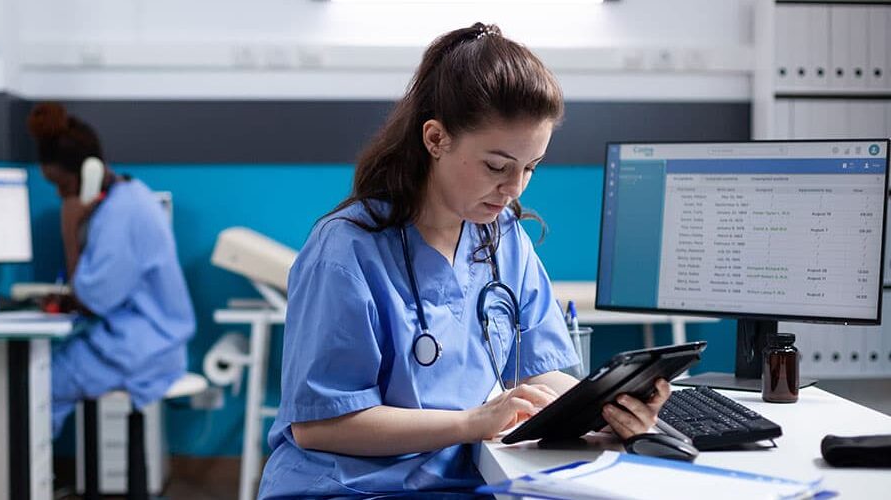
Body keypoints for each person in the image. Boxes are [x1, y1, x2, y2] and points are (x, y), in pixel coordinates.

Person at [258, 23, 671, 498]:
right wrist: (472, 422)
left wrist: (610, 408)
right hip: (351, 487)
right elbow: (320, 427)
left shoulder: (503, 239)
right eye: (497, 166)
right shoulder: (346, 251)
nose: (514, 188)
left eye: (530, 167)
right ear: (435, 139)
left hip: (464, 478)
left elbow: (541, 370)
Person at [27, 102, 196, 435]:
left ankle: (21, 483)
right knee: (43, 371)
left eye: (63, 186)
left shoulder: (121, 214)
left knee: (33, 385)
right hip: (143, 341)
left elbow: (92, 300)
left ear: (89, 172)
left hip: (145, 348)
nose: (61, 196)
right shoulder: (127, 197)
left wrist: (70, 232)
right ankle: (36, 481)